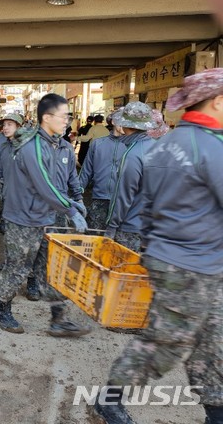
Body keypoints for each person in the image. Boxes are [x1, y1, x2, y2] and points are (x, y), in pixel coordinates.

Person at [94, 68, 223, 424]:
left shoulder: (166, 145)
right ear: (218, 101)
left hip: (182, 258)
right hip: (192, 264)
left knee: (213, 342)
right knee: (166, 343)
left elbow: (141, 201)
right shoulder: (209, 148)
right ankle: (110, 398)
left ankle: (217, 410)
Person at [0, 93, 90, 337]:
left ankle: (59, 319)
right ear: (47, 117)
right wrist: (70, 208)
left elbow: (55, 182)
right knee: (17, 268)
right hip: (22, 219)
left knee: (51, 269)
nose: (67, 120)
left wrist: (71, 200)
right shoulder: (33, 146)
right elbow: (44, 185)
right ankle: (2, 311)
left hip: (46, 217)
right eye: (63, 116)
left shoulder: (54, 145)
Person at [104, 102, 157, 252]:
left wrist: (112, 226)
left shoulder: (132, 154)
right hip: (152, 229)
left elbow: (122, 196)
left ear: (126, 125)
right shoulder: (158, 147)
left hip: (130, 228)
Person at [78, 114, 125, 230]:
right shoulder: (97, 144)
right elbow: (86, 171)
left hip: (122, 201)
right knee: (94, 238)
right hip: (99, 198)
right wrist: (77, 195)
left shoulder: (132, 145)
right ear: (113, 122)